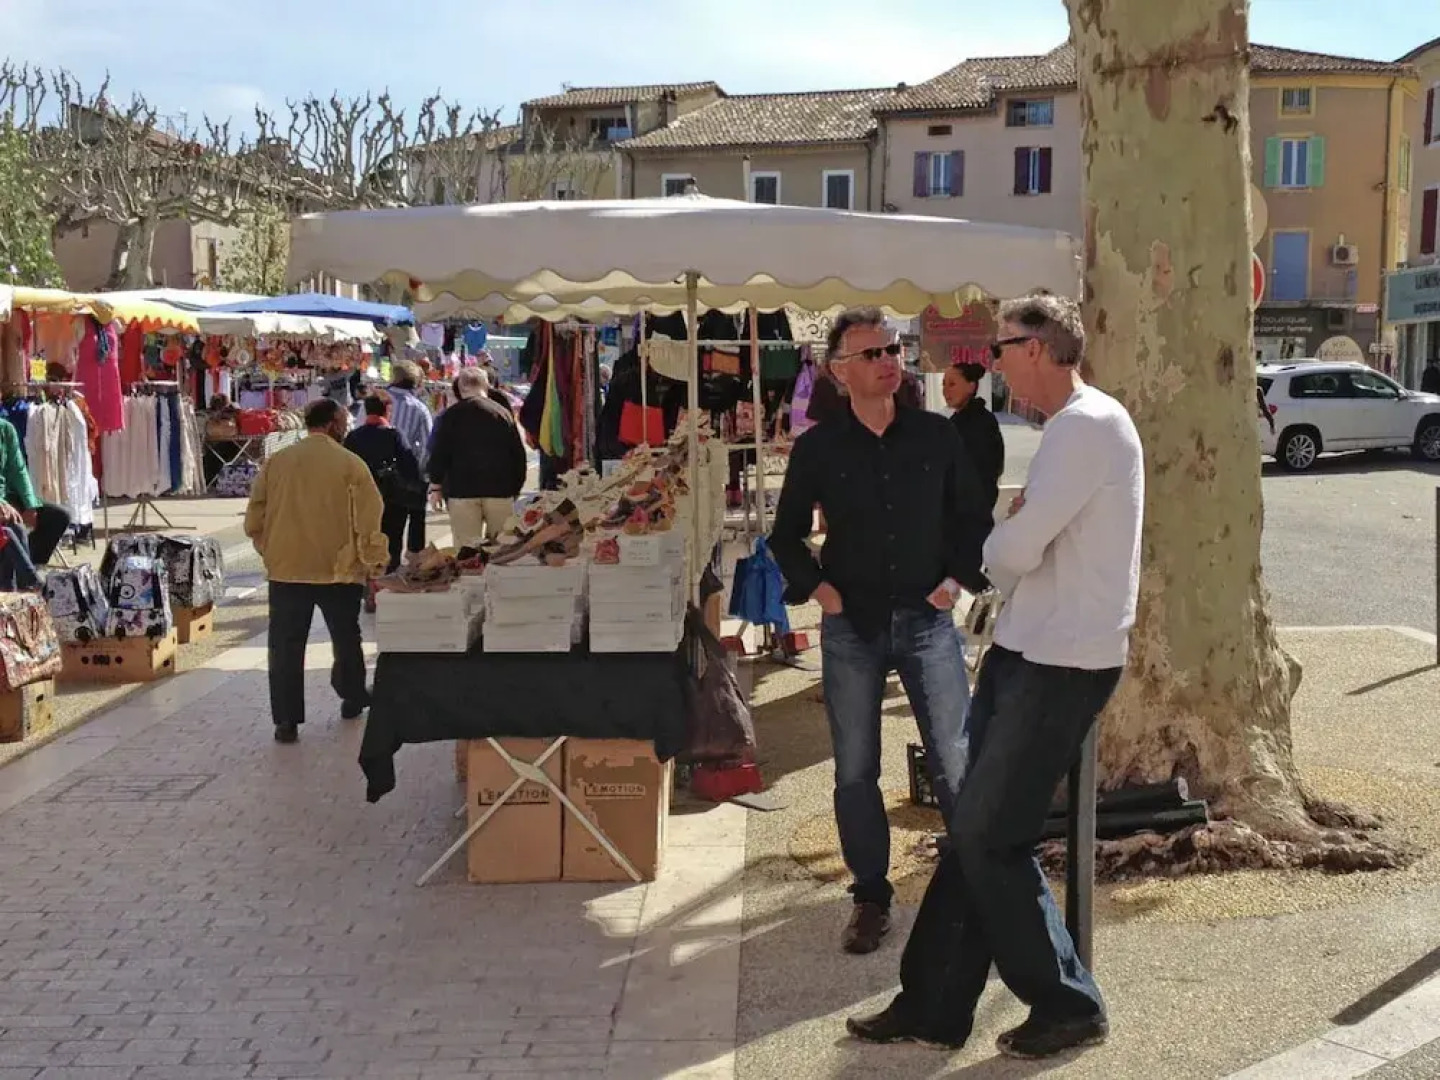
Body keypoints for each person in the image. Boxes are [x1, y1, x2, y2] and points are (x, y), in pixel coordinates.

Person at [848, 293, 1143, 1060]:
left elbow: (1010, 553)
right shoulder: (1073, 429)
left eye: (1001, 347)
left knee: (987, 837)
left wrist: (1006, 533)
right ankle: (934, 1003)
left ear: (1037, 349)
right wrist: (1013, 531)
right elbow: (1021, 545)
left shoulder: (1085, 428)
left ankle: (1066, 1003)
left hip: (1063, 663)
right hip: (1031, 652)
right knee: (975, 833)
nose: (991, 361)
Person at [769, 306, 993, 956]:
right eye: (872, 354)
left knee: (955, 759)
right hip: (852, 627)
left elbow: (973, 516)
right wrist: (820, 589)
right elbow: (784, 538)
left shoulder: (936, 437)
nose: (888, 361)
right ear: (840, 371)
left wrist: (956, 582)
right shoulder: (819, 448)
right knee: (855, 769)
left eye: (893, 349)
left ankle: (979, 887)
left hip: (928, 620)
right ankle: (871, 896)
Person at [244, 399, 389, 744]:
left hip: (287, 568)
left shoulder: (278, 462)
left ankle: (286, 720)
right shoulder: (350, 464)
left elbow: (255, 517)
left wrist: (271, 548)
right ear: (335, 422)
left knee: (285, 646)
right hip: (337, 567)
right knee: (346, 636)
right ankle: (353, 696)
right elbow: (369, 517)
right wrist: (372, 563)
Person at [428, 368, 528, 547]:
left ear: (460, 388)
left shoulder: (450, 416)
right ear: (486, 386)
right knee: (501, 549)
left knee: (466, 551)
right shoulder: (502, 413)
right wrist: (515, 488)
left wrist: (436, 487)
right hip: (500, 490)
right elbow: (518, 455)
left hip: (462, 492)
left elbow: (439, 453)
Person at [343, 393, 425, 573]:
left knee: (363, 541)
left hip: (360, 500)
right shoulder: (394, 435)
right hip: (392, 499)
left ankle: (367, 581)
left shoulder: (353, 437)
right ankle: (387, 580)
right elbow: (410, 468)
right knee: (392, 541)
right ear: (388, 410)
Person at [0, 416, 70, 567]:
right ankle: (27, 578)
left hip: (7, 498)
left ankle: (29, 566)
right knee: (14, 526)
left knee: (57, 517)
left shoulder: (6, 429)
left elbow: (18, 470)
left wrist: (30, 504)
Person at [384, 359, 434, 559]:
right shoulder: (419, 408)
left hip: (379, 474)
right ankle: (414, 561)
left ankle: (389, 565)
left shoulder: (376, 401)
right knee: (415, 521)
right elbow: (427, 445)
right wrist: (421, 474)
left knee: (389, 528)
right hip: (409, 474)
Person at [942, 362, 1005, 509]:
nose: (945, 391)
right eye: (943, 385)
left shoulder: (980, 423)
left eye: (952, 384)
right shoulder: (957, 421)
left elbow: (982, 472)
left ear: (971, 386)